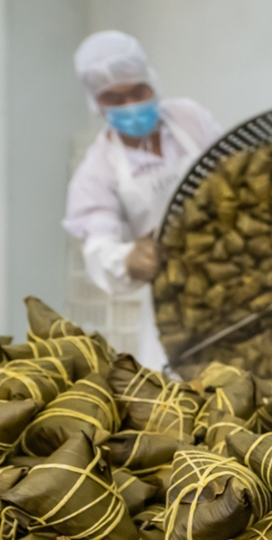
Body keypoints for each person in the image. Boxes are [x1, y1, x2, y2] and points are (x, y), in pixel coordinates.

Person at [63, 30, 222, 371]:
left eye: (138, 91)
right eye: (114, 99)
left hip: (233, 275)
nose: (130, 105)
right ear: (96, 103)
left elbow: (234, 171)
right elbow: (99, 245)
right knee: (178, 396)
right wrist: (127, 259)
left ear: (152, 82)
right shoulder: (97, 170)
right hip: (171, 303)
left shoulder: (189, 119)